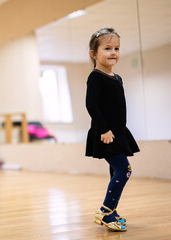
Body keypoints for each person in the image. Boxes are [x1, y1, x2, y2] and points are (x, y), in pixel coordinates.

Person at [85, 27, 140, 232]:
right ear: (94, 54)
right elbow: (91, 105)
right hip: (106, 133)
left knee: (114, 172)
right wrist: (105, 130)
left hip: (118, 132)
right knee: (124, 170)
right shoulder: (96, 77)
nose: (113, 52)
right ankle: (105, 212)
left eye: (116, 48)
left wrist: (117, 130)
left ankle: (113, 211)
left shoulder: (117, 78)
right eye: (107, 48)